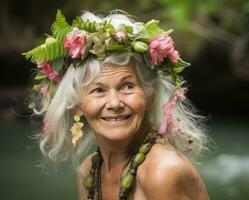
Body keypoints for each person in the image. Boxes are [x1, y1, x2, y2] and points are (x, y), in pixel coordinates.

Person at [24, 9, 209, 200]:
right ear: (76, 104)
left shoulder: (163, 172)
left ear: (149, 95)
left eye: (127, 86)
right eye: (98, 90)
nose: (114, 103)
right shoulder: (88, 171)